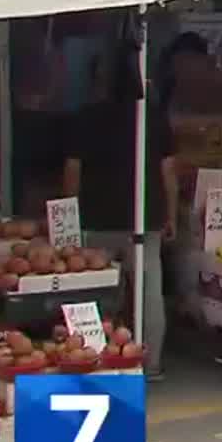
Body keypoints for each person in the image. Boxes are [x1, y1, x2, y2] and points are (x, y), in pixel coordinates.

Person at [64, 35, 178, 380]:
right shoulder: (153, 117)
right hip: (145, 216)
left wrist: (69, 221)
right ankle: (152, 363)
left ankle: (95, 360)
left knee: (98, 292)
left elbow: (73, 171)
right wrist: (171, 214)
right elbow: (168, 170)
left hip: (98, 218)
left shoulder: (86, 117)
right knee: (148, 291)